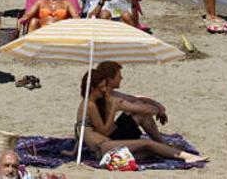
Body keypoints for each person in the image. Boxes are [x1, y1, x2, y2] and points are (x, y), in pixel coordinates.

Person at [76, 66, 207, 164]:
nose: (104, 90)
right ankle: (186, 157)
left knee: (151, 151)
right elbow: (104, 131)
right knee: (147, 144)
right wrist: (113, 111)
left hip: (103, 147)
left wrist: (74, 151)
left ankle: (174, 152)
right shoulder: (90, 105)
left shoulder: (90, 103)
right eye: (102, 87)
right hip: (103, 148)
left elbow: (80, 130)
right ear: (93, 87)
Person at [98, 61, 168, 143]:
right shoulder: (109, 97)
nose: (121, 78)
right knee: (141, 113)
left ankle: (161, 142)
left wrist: (158, 105)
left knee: (139, 107)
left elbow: (135, 98)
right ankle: (161, 143)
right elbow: (147, 109)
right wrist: (160, 111)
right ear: (110, 79)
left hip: (110, 132)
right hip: (109, 138)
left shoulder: (107, 92)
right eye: (118, 75)